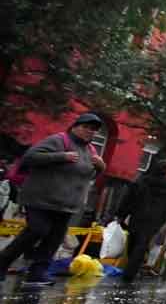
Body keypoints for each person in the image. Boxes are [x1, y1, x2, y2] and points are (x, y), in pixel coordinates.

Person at [0, 114, 106, 286]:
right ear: (75, 126)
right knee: (37, 230)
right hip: (40, 198)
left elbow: (87, 175)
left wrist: (101, 167)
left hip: (67, 204)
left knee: (54, 239)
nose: (90, 132)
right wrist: (61, 156)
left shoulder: (92, 151)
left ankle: (37, 274)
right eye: (86, 127)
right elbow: (30, 157)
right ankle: (3, 262)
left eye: (93, 130)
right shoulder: (58, 140)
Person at [117, 159, 166, 282]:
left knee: (134, 240)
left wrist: (121, 214)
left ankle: (130, 268)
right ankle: (131, 270)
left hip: (138, 215)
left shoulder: (142, 181)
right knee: (143, 243)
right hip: (155, 219)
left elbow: (129, 198)